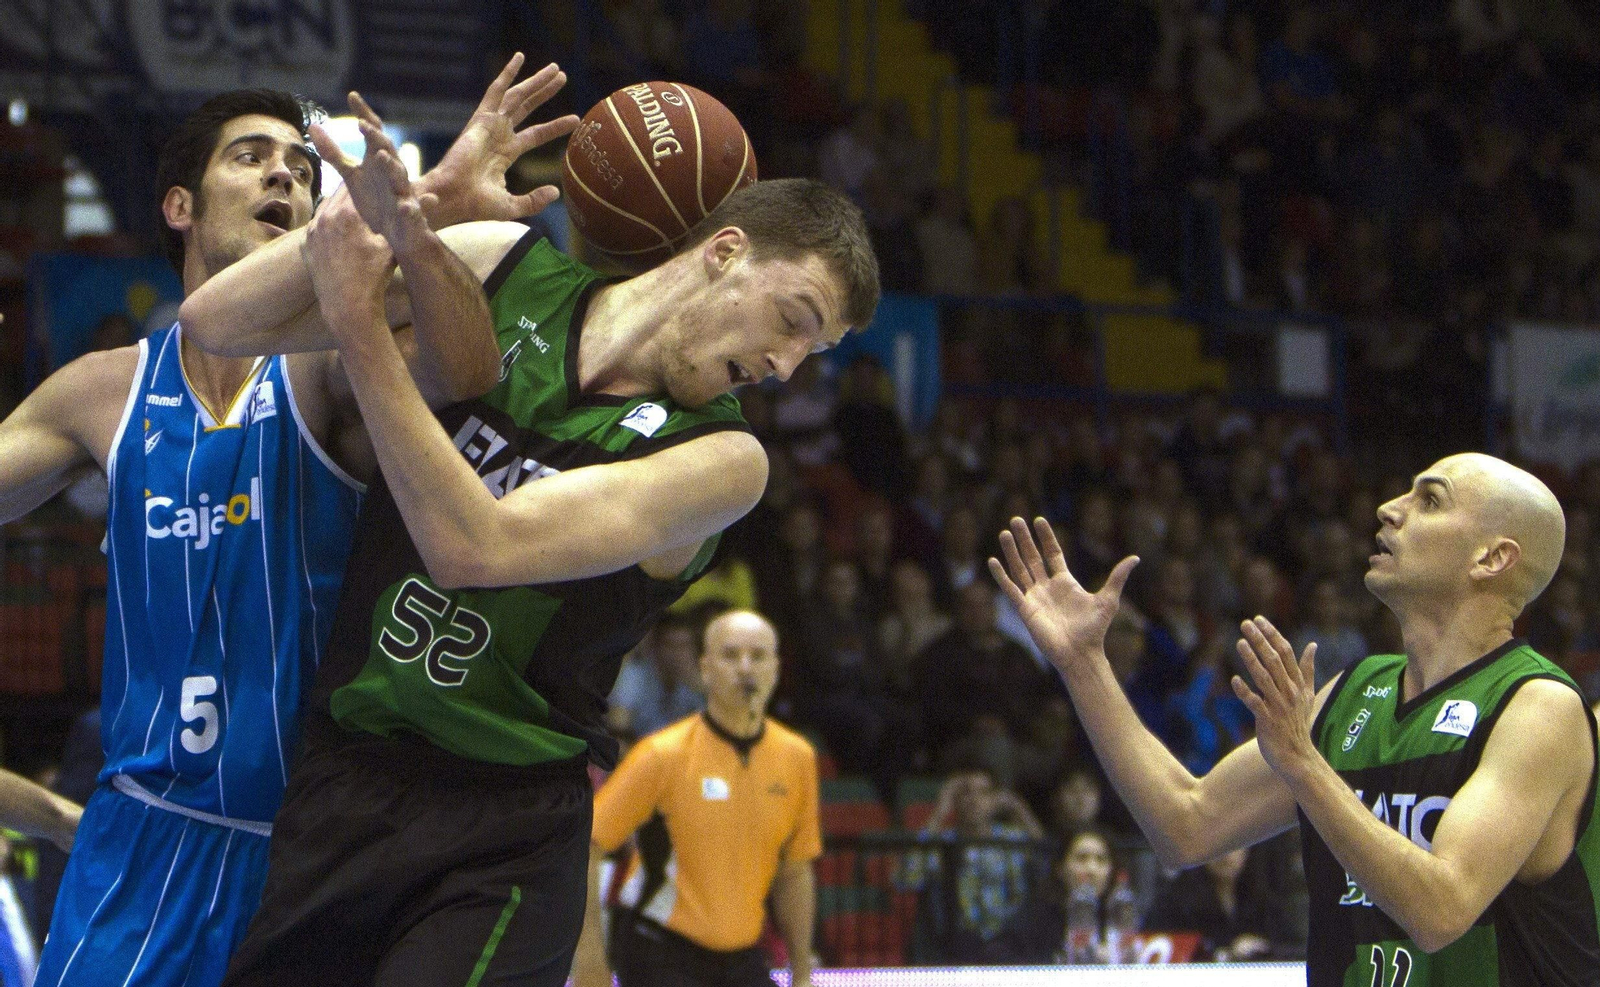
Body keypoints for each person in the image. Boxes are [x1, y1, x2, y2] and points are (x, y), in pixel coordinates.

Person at [194, 121, 878, 982]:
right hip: (344, 770)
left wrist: (360, 325)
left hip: (502, 827)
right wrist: (423, 209)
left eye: (813, 351)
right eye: (793, 320)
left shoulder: (724, 461)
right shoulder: (502, 265)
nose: (784, 365)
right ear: (725, 251)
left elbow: (472, 544)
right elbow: (214, 320)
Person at [8, 56, 563, 986]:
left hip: (306, 852)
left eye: (302, 171)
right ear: (180, 206)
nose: (284, 175)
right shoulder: (102, 391)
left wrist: (423, 220)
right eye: (251, 157)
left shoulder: (333, 364)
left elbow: (466, 368)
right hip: (135, 849)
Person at [992, 452, 1600, 984]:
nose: (1390, 509)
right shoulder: (1355, 694)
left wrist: (1305, 767)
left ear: (1492, 558)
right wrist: (1083, 663)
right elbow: (1186, 825)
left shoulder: (1537, 706)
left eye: (1430, 500)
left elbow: (1441, 909)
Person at [574, 610, 820, 987]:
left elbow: (795, 872)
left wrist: (802, 973)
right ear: (705, 668)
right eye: (730, 655)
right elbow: (586, 847)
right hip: (659, 948)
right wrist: (590, 961)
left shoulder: (796, 758)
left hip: (742, 955)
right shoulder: (662, 755)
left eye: (758, 656)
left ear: (776, 669)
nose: (745, 668)